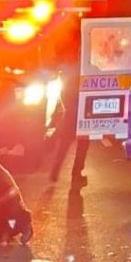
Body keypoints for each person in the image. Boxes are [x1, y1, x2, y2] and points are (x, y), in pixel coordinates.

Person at [50, 49, 90, 186]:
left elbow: (63, 92)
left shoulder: (69, 70)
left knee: (65, 143)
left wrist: (67, 108)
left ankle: (55, 170)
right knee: (82, 145)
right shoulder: (89, 69)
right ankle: (76, 174)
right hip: (84, 112)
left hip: (71, 112)